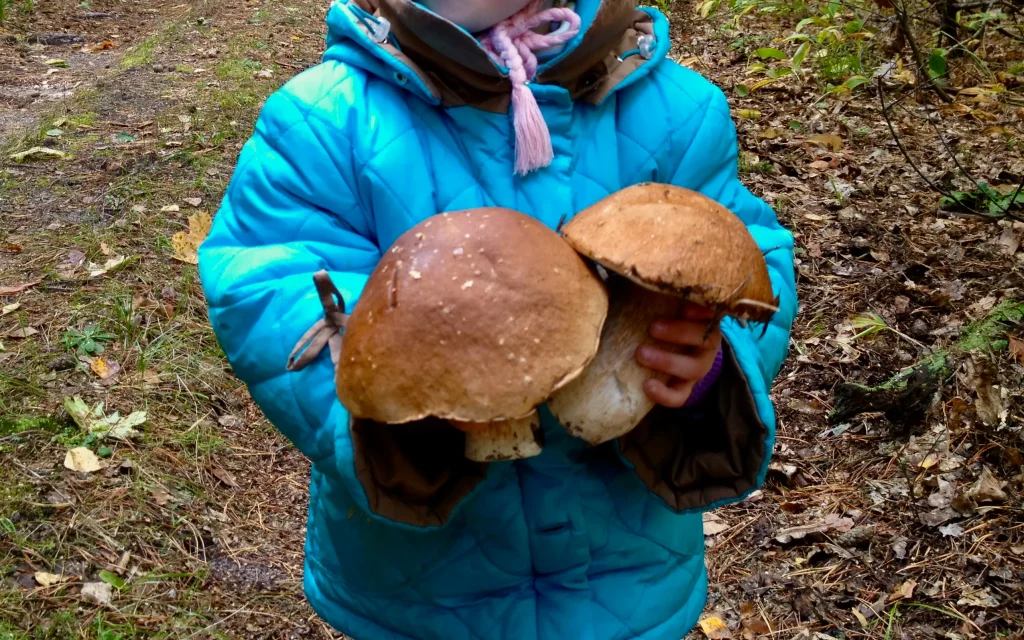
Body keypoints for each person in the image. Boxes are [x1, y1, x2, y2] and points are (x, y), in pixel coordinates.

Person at [197, 0, 797, 638]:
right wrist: (393, 405)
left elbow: (744, 261)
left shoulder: (676, 110)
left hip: (620, 565)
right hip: (422, 576)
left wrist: (713, 362)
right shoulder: (325, 117)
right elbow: (267, 286)